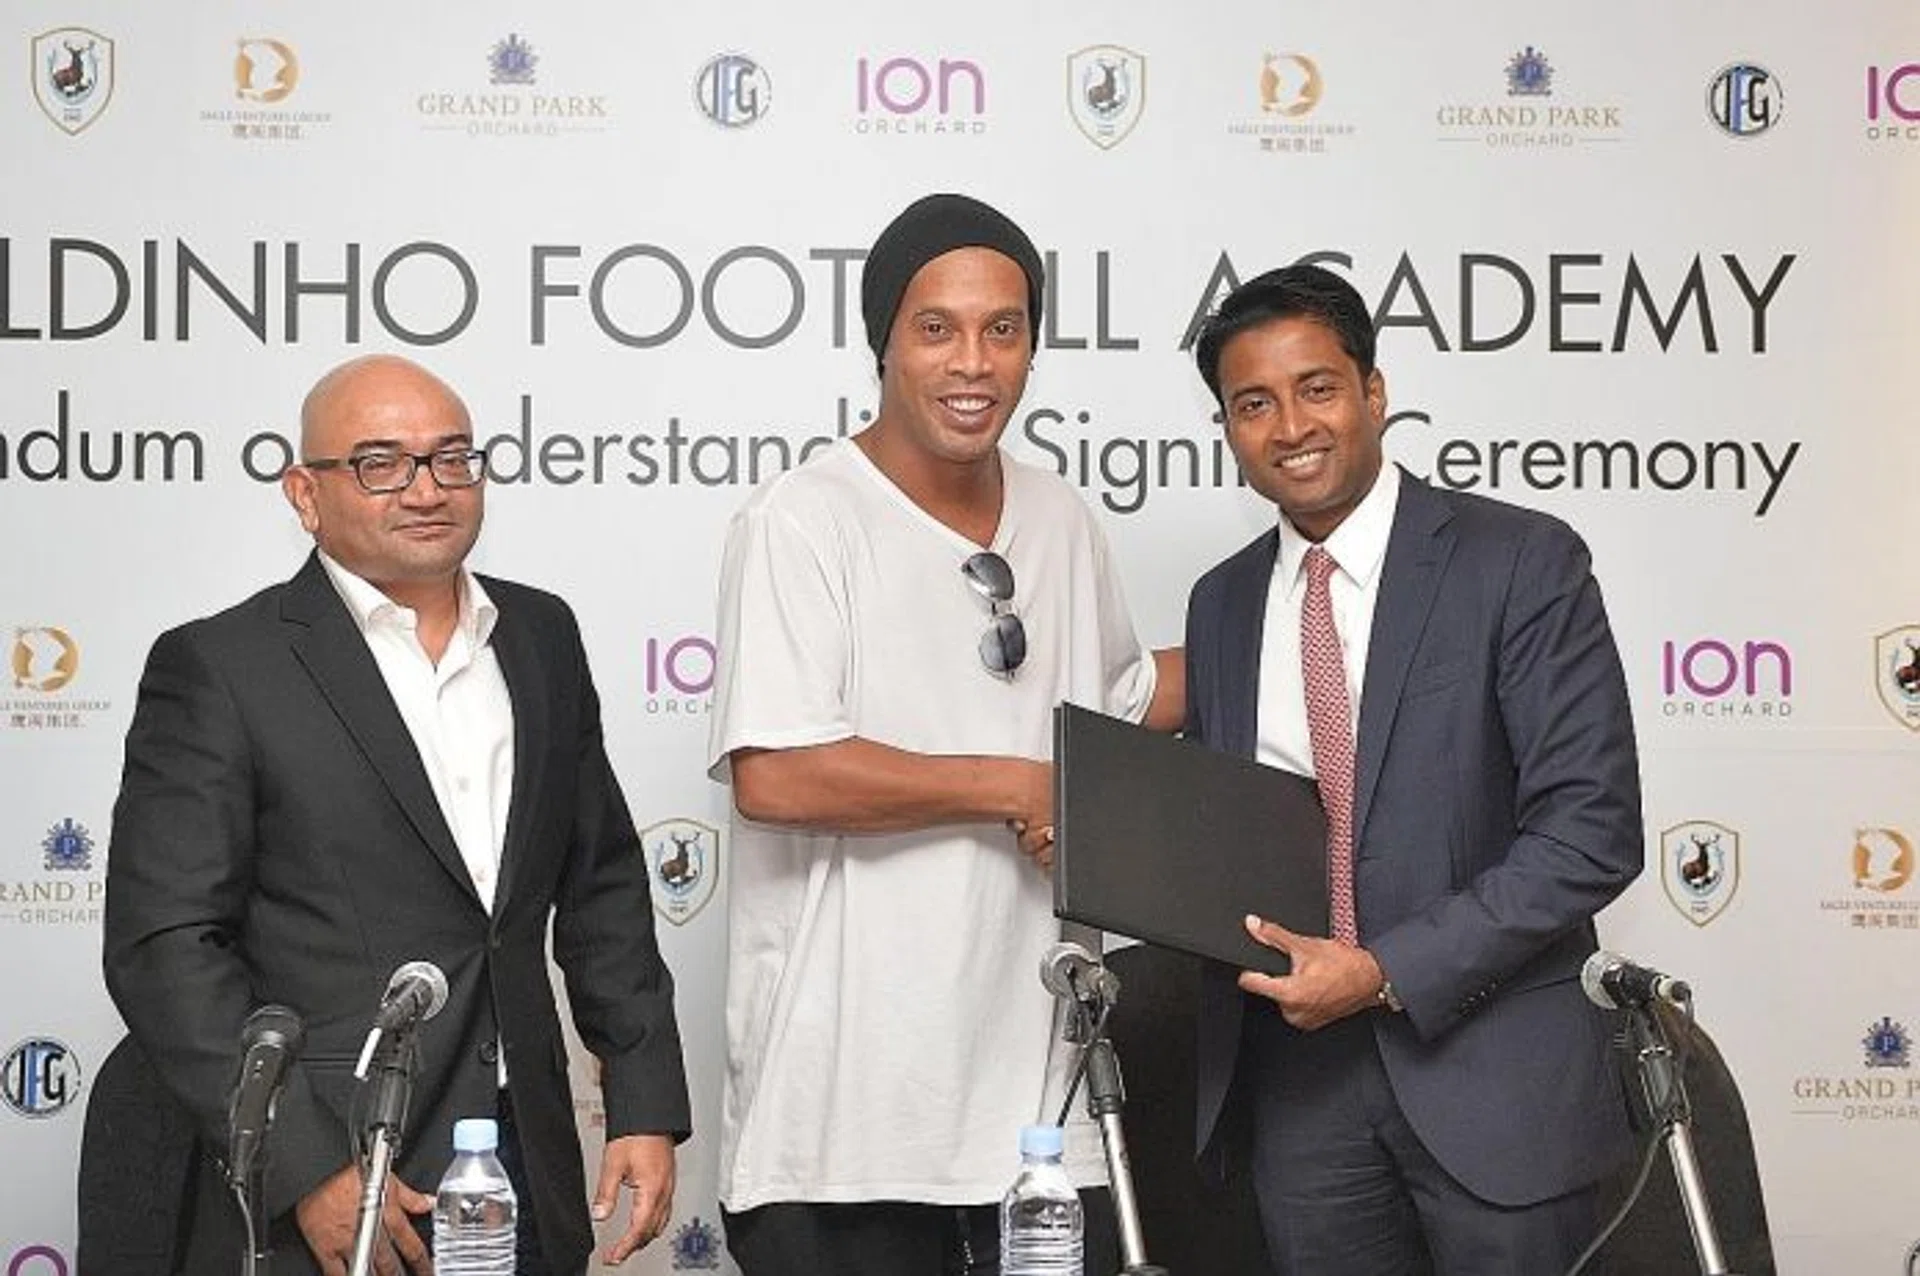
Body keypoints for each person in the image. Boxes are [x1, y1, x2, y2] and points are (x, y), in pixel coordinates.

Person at [101, 354, 690, 1276]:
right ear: (306, 493)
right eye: (381, 463)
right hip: (333, 1166)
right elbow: (166, 944)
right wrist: (306, 1171)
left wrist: (645, 1100)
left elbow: (602, 884)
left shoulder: (541, 636)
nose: (427, 488)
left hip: (519, 1160)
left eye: (452, 458)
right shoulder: (222, 667)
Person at [707, 192, 1182, 1275]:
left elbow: (1116, 700)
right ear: (885, 339)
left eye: (1003, 330)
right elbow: (776, 773)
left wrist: (1311, 632)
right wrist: (1015, 783)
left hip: (1036, 1118)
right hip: (846, 1131)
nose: (974, 362)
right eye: (938, 328)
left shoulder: (1059, 514)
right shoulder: (801, 517)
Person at [1182, 264, 1643, 1275]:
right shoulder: (1220, 603)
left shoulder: (1519, 560)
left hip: (1494, 1083)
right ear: (1228, 429)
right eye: (1252, 404)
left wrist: (1387, 972)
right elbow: (1231, 829)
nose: (1290, 425)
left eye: (1318, 387)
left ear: (1374, 391)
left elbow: (1590, 830)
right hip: (1299, 1095)